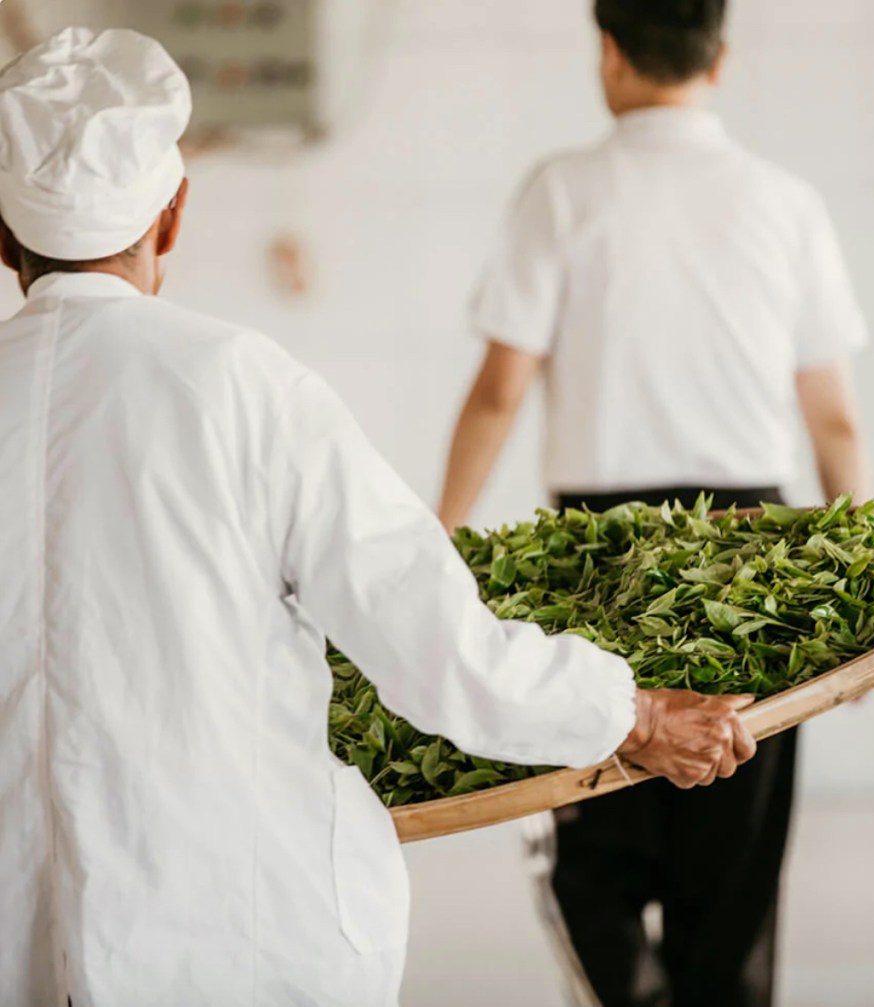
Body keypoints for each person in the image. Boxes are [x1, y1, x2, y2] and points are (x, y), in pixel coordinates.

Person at [0, 26, 758, 1007]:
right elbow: (432, 648)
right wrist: (630, 713)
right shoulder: (242, 386)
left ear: (1, 233)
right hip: (235, 943)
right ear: (174, 216)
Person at [437, 2, 872, 1005]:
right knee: (735, 858)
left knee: (594, 834)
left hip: (598, 559)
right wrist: (864, 593)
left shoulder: (562, 190)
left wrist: (444, 540)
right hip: (759, 556)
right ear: (720, 59)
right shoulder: (784, 201)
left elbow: (501, 386)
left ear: (608, 52)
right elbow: (835, 421)